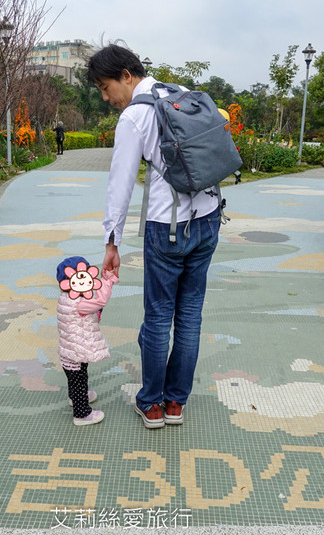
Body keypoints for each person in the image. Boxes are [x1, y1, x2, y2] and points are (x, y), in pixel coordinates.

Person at [87, 44, 221, 429]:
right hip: (209, 217)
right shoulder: (178, 93)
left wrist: (112, 240)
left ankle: (152, 404)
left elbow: (120, 183)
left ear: (127, 76)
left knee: (160, 316)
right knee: (190, 315)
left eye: (105, 86)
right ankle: (176, 403)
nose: (105, 97)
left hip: (168, 228)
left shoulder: (136, 117)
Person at [56, 255, 119, 426]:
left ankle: (75, 398)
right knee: (79, 379)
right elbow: (100, 300)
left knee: (75, 378)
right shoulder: (79, 303)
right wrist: (108, 281)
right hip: (76, 352)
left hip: (69, 351)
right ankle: (82, 414)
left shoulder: (67, 298)